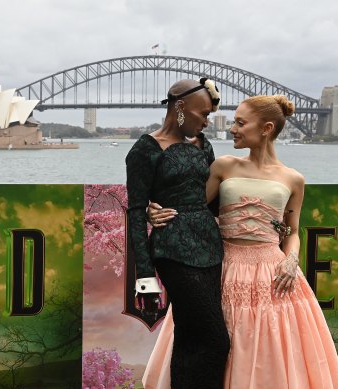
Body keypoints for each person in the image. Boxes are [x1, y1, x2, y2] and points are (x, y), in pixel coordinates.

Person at [144, 95, 338, 388]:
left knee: (270, 350)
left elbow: (291, 232)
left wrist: (291, 259)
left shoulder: (293, 179)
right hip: (221, 268)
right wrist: (155, 209)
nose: (232, 129)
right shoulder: (224, 166)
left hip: (273, 274)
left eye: (240, 123)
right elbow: (187, 207)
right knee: (211, 341)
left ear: (265, 128)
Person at [126, 78, 230, 389]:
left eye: (210, 116)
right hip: (173, 253)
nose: (206, 123)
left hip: (210, 250)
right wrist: (143, 275)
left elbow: (211, 200)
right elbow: (134, 211)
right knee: (216, 340)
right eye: (203, 115)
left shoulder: (203, 145)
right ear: (180, 107)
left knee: (190, 338)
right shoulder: (145, 150)